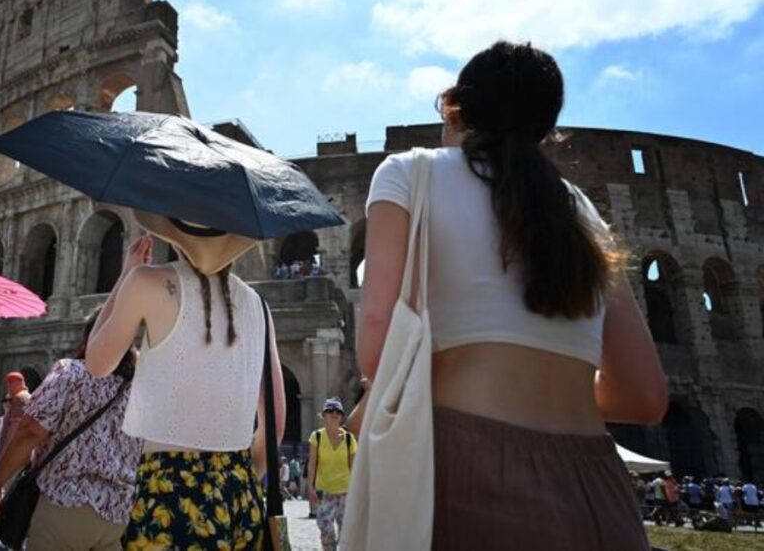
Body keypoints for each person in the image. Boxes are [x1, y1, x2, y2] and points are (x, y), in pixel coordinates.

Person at [357, 41, 668, 549]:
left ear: (453, 106)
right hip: (598, 481)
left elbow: (376, 346)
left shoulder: (408, 174)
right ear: (545, 128)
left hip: (466, 466)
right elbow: (646, 396)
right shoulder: (581, 213)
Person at [86, 222, 285, 550]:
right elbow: (275, 423)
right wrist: (239, 473)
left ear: (174, 233)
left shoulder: (146, 282)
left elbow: (97, 363)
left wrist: (125, 277)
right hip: (240, 492)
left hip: (168, 492)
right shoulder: (258, 306)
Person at [0, 306, 144, 551]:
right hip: (114, 514)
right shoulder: (138, 391)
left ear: (90, 337)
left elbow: (30, 432)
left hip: (64, 503)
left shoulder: (71, 373)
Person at [307, 398, 357, 551]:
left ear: (341, 416)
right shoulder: (317, 437)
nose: (334, 414)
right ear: (324, 416)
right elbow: (312, 464)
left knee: (346, 534)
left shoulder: (349, 439)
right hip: (325, 492)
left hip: (345, 492)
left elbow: (354, 467)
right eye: (330, 411)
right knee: (326, 529)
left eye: (338, 412)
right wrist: (310, 487)